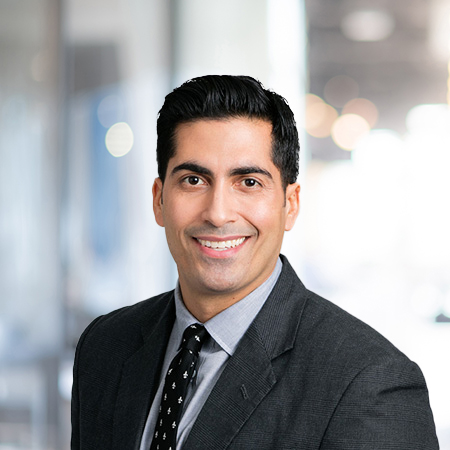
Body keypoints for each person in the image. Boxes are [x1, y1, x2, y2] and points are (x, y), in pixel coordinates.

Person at [71, 75, 439, 449]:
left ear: (290, 205)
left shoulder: (372, 385)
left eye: (248, 182)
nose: (217, 213)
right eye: (194, 180)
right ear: (159, 199)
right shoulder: (105, 347)